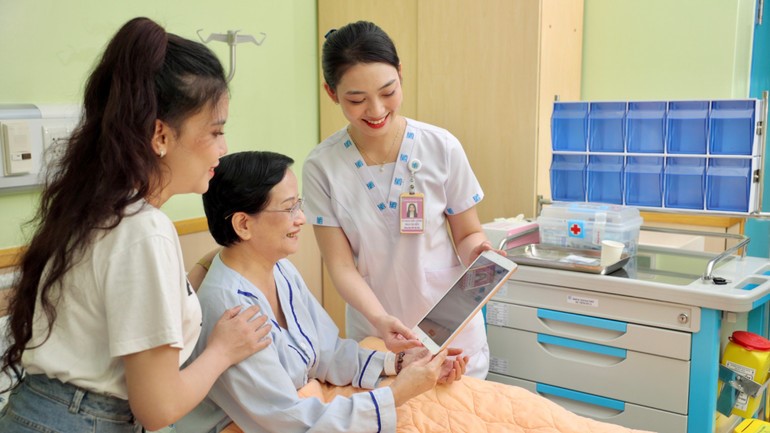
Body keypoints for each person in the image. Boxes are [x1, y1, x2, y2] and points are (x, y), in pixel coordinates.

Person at [0, 17, 271, 432]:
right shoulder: (146, 230)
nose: (224, 148)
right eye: (216, 131)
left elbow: (113, 311)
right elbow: (158, 408)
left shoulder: (91, 207)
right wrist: (222, 350)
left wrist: (194, 276)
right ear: (160, 135)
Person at [177, 150, 467, 433]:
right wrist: (398, 394)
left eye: (299, 204)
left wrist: (400, 363)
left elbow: (328, 351)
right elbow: (287, 421)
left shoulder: (281, 271)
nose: (301, 218)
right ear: (243, 224)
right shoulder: (229, 311)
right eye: (289, 208)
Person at [303, 20, 498, 378]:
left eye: (388, 91)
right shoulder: (322, 166)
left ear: (400, 74)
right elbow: (340, 266)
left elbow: (468, 233)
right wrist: (380, 319)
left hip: (451, 329)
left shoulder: (441, 147)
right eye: (357, 100)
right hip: (379, 338)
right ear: (331, 93)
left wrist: (478, 252)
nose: (376, 110)